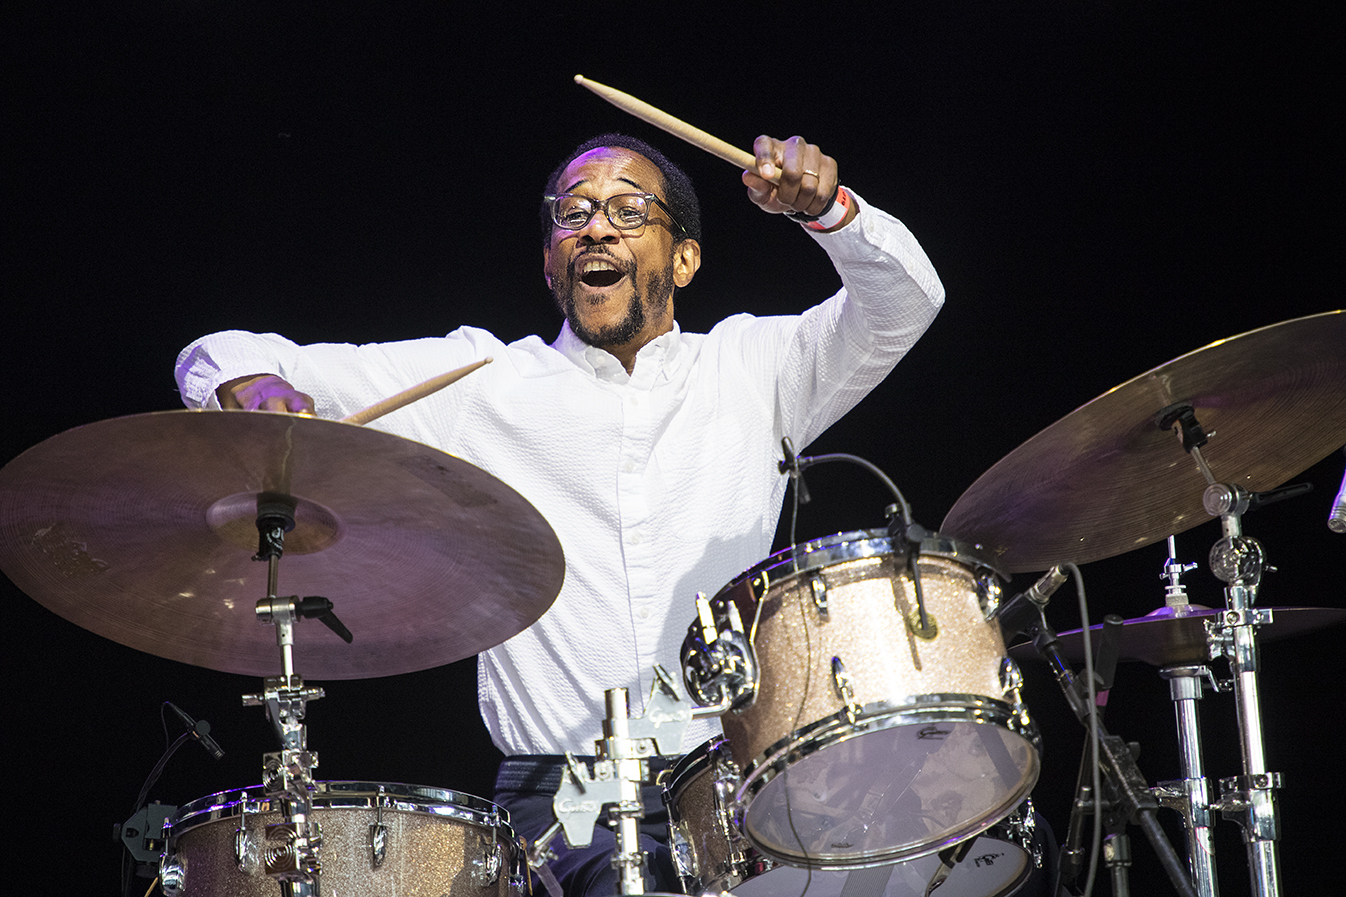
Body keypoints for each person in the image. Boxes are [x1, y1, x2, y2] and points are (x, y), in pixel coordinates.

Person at [175, 132, 954, 895]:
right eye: (572, 213)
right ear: (550, 262)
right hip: (560, 809)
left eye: (628, 210)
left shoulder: (756, 369)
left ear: (683, 258)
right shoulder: (481, 381)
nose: (596, 227)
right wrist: (249, 384)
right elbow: (223, 350)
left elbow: (906, 301)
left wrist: (830, 211)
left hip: (735, 785)